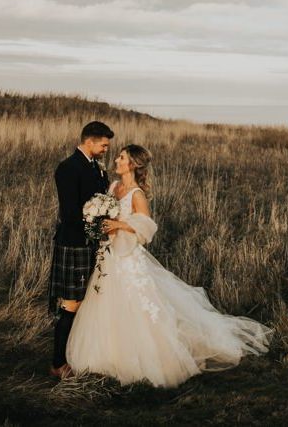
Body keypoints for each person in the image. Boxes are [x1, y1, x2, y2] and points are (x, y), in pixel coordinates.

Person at [65, 144, 272, 388]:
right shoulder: (112, 187)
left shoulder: (137, 194)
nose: (117, 160)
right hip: (108, 254)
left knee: (137, 306)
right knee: (105, 303)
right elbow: (105, 215)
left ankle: (147, 358)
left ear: (132, 164)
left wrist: (119, 226)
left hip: (128, 257)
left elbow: (147, 226)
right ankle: (104, 356)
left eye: (121, 157)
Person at [48, 120, 113, 379]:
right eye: (104, 145)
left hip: (92, 244)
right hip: (74, 243)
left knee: (86, 302)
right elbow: (70, 212)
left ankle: (79, 354)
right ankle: (57, 363)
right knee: (71, 304)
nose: (107, 149)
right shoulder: (68, 167)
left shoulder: (96, 168)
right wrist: (98, 226)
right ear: (90, 141)